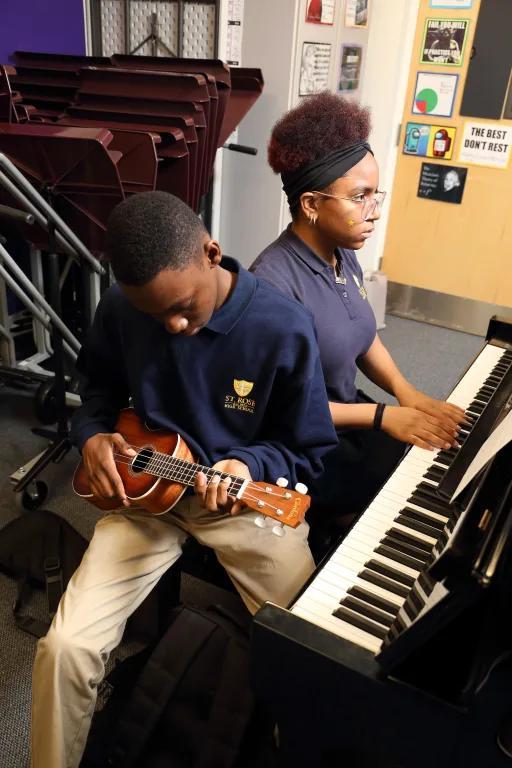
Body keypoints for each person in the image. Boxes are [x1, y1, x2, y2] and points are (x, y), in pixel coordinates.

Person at [30, 191, 337, 768]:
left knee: (315, 655)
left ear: (212, 253)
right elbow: (95, 394)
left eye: (184, 307)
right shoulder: (122, 308)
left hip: (244, 506)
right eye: (155, 316)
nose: (174, 326)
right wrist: (92, 435)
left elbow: (310, 449)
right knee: (65, 648)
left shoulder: (283, 327)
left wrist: (252, 465)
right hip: (145, 497)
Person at [250, 92, 466, 529]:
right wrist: (386, 415)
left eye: (375, 194)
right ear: (311, 204)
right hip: (298, 442)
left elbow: (362, 335)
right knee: (401, 497)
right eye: (360, 197)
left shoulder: (341, 249)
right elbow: (281, 408)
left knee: (427, 458)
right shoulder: (272, 284)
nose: (375, 212)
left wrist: (408, 393)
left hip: (345, 413)